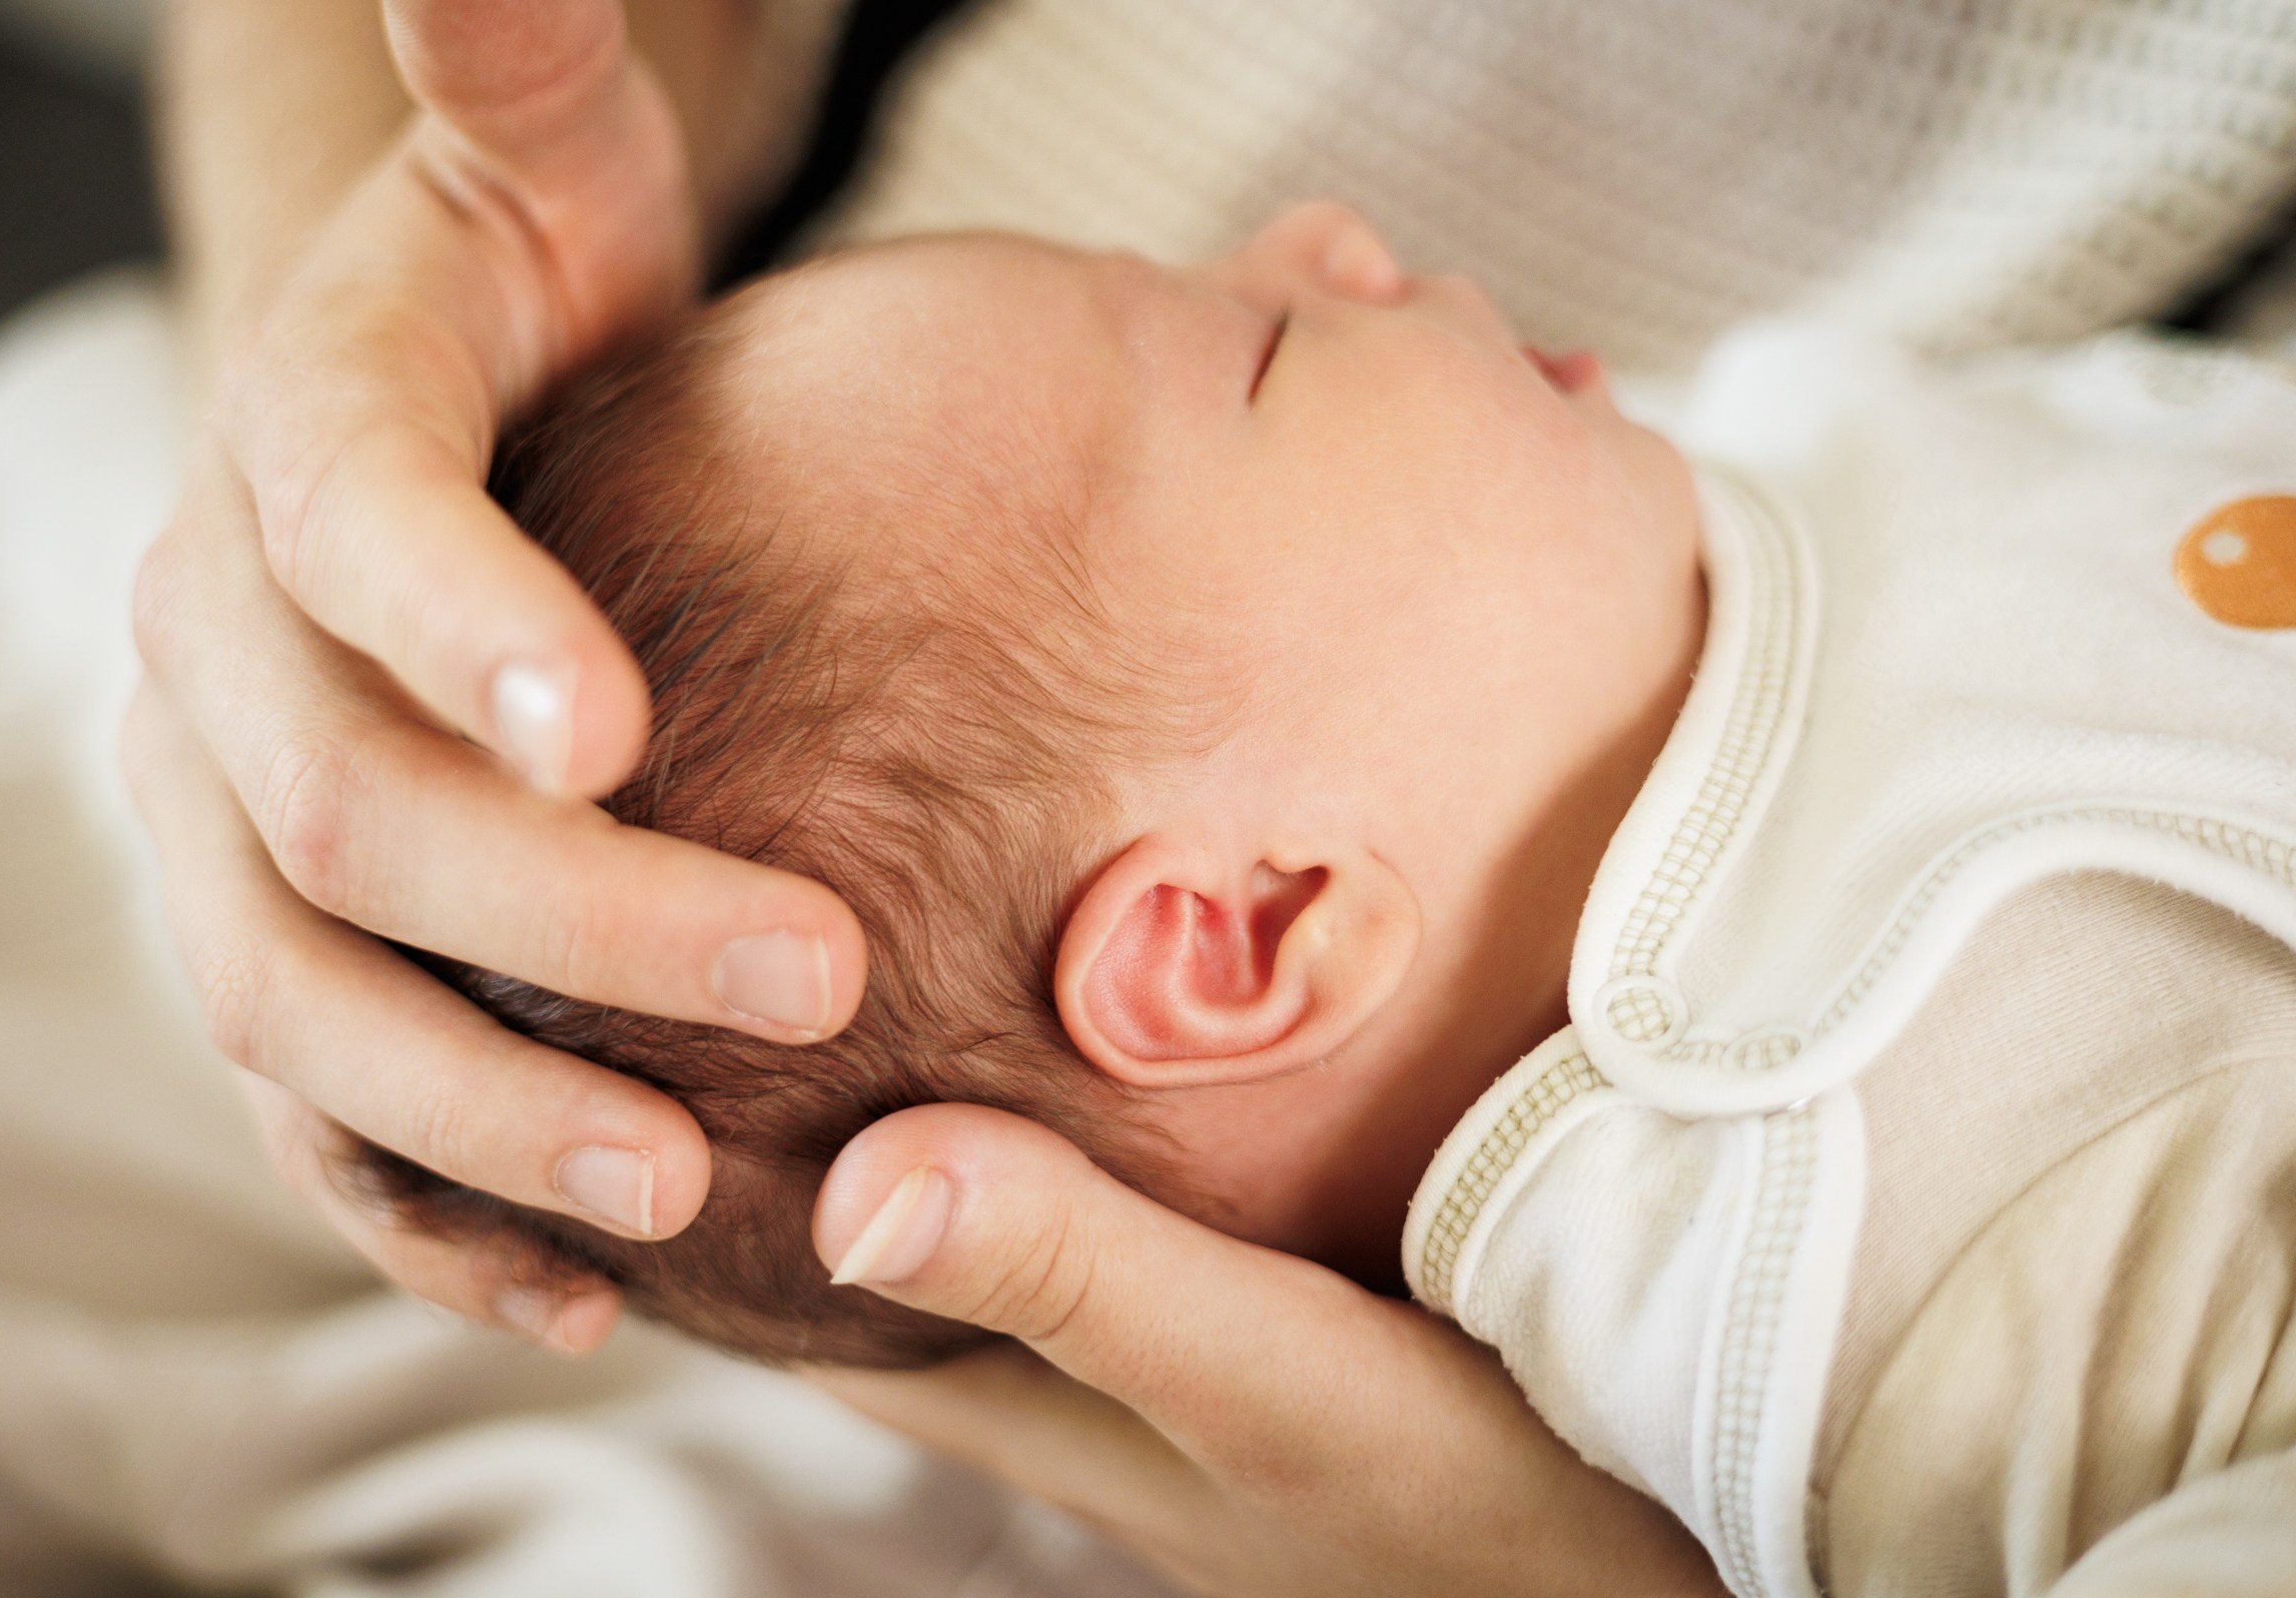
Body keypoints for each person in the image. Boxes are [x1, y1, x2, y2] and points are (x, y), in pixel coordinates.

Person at [119, 1, 2296, 1592]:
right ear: (1245, 929)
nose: (1328, 239)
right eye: (1255, 351)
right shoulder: (1868, 1249)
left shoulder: (1702, 512)